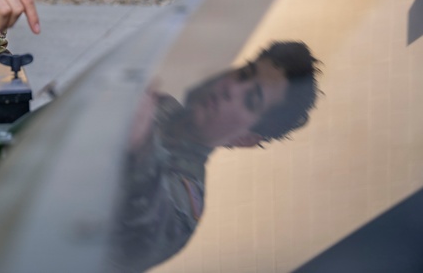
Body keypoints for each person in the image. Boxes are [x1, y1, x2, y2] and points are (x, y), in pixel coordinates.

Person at [110, 40, 321, 272]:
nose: (232, 89)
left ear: (245, 139)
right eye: (243, 74)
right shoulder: (158, 104)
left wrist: (140, 149)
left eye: (250, 100)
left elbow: (139, 238)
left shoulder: (185, 205)